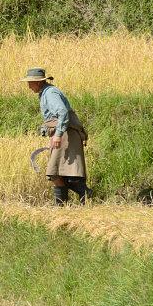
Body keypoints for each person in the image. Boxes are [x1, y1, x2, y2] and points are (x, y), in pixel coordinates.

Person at [21, 68, 93, 205]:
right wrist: (53, 137)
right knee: (60, 172)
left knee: (55, 172)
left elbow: (62, 112)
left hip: (66, 134)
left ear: (39, 82)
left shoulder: (50, 93)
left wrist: (58, 135)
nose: (29, 86)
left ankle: (84, 193)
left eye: (30, 82)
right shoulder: (45, 93)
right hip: (64, 133)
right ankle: (62, 207)